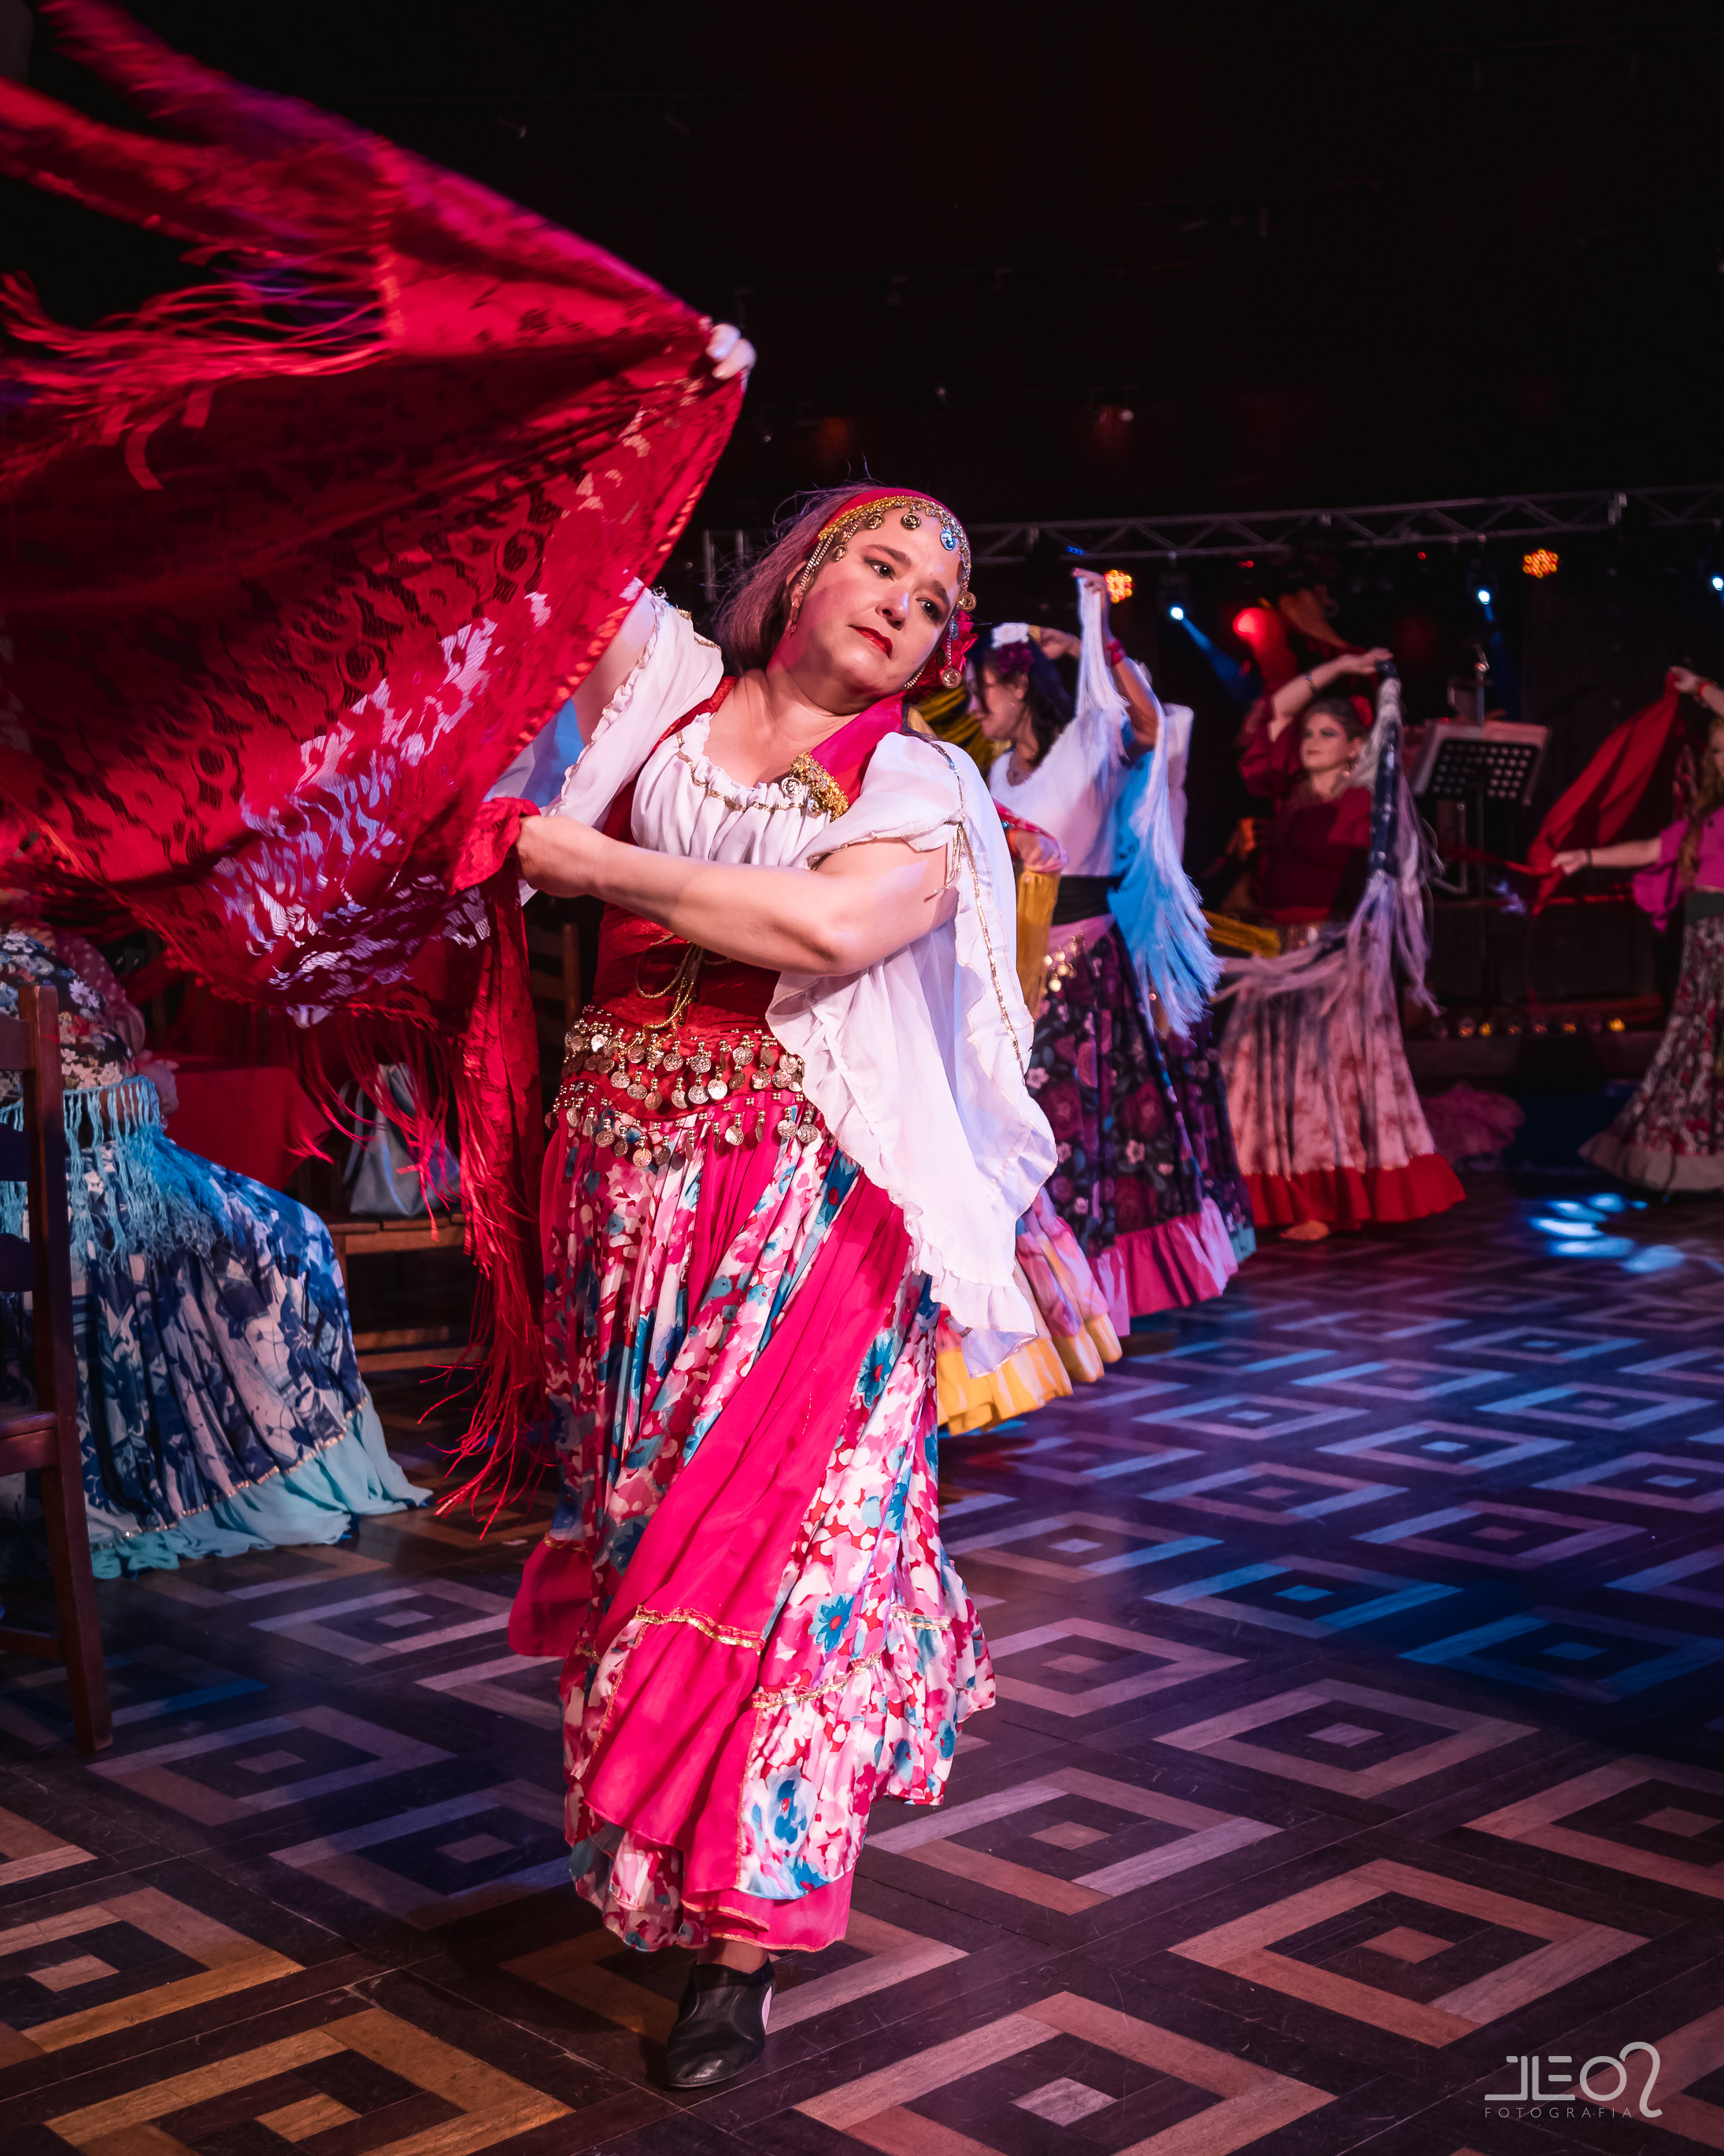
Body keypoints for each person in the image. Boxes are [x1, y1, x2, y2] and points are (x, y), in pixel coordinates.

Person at [505, 486, 1054, 2089]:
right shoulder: (664, 688)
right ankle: (675, 1849)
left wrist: (590, 864)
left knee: (788, 1563)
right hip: (615, 1195)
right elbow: (554, 542)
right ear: (802, 573)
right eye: (882, 561)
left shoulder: (927, 784)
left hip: (803, 1209)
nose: (909, 601)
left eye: (939, 597)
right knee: (640, 1522)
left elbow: (820, 918)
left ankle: (743, 1942)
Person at [0, 920, 426, 1575]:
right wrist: (145, 1092)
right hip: (61, 1180)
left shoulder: (35, 944)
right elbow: (73, 1099)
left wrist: (136, 1083)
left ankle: (268, 1459)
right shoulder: (21, 955)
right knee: (271, 1240)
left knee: (282, 1231)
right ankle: (244, 1474)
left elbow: (95, 1063)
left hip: (87, 1166)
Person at [975, 575, 1252, 1330]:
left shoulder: (1089, 746)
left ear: (1020, 690)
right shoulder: (1000, 773)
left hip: (1086, 963)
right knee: (1034, 1121)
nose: (974, 710)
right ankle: (1045, 1285)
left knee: (1083, 1126)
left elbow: (1148, 722)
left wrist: (1099, 633)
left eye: (984, 694)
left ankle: (1094, 1288)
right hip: (1025, 964)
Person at [1219, 655, 1464, 1239]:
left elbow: (1384, 882)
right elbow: (1270, 712)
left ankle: (1320, 1201)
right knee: (1255, 1078)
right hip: (1274, 953)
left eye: (1326, 734)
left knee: (1318, 1083)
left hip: (1333, 959)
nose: (1310, 741)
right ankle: (1270, 1192)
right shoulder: (1288, 791)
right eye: (1308, 733)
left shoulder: (1364, 809)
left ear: (1357, 746)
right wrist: (1344, 666)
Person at [1552, 676, 1724, 1191]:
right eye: (1716, 749)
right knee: (1697, 1050)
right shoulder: (1706, 818)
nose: (1722, 757)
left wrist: (1701, 689)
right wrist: (1585, 857)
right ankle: (1697, 1162)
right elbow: (1652, 851)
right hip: (1705, 950)